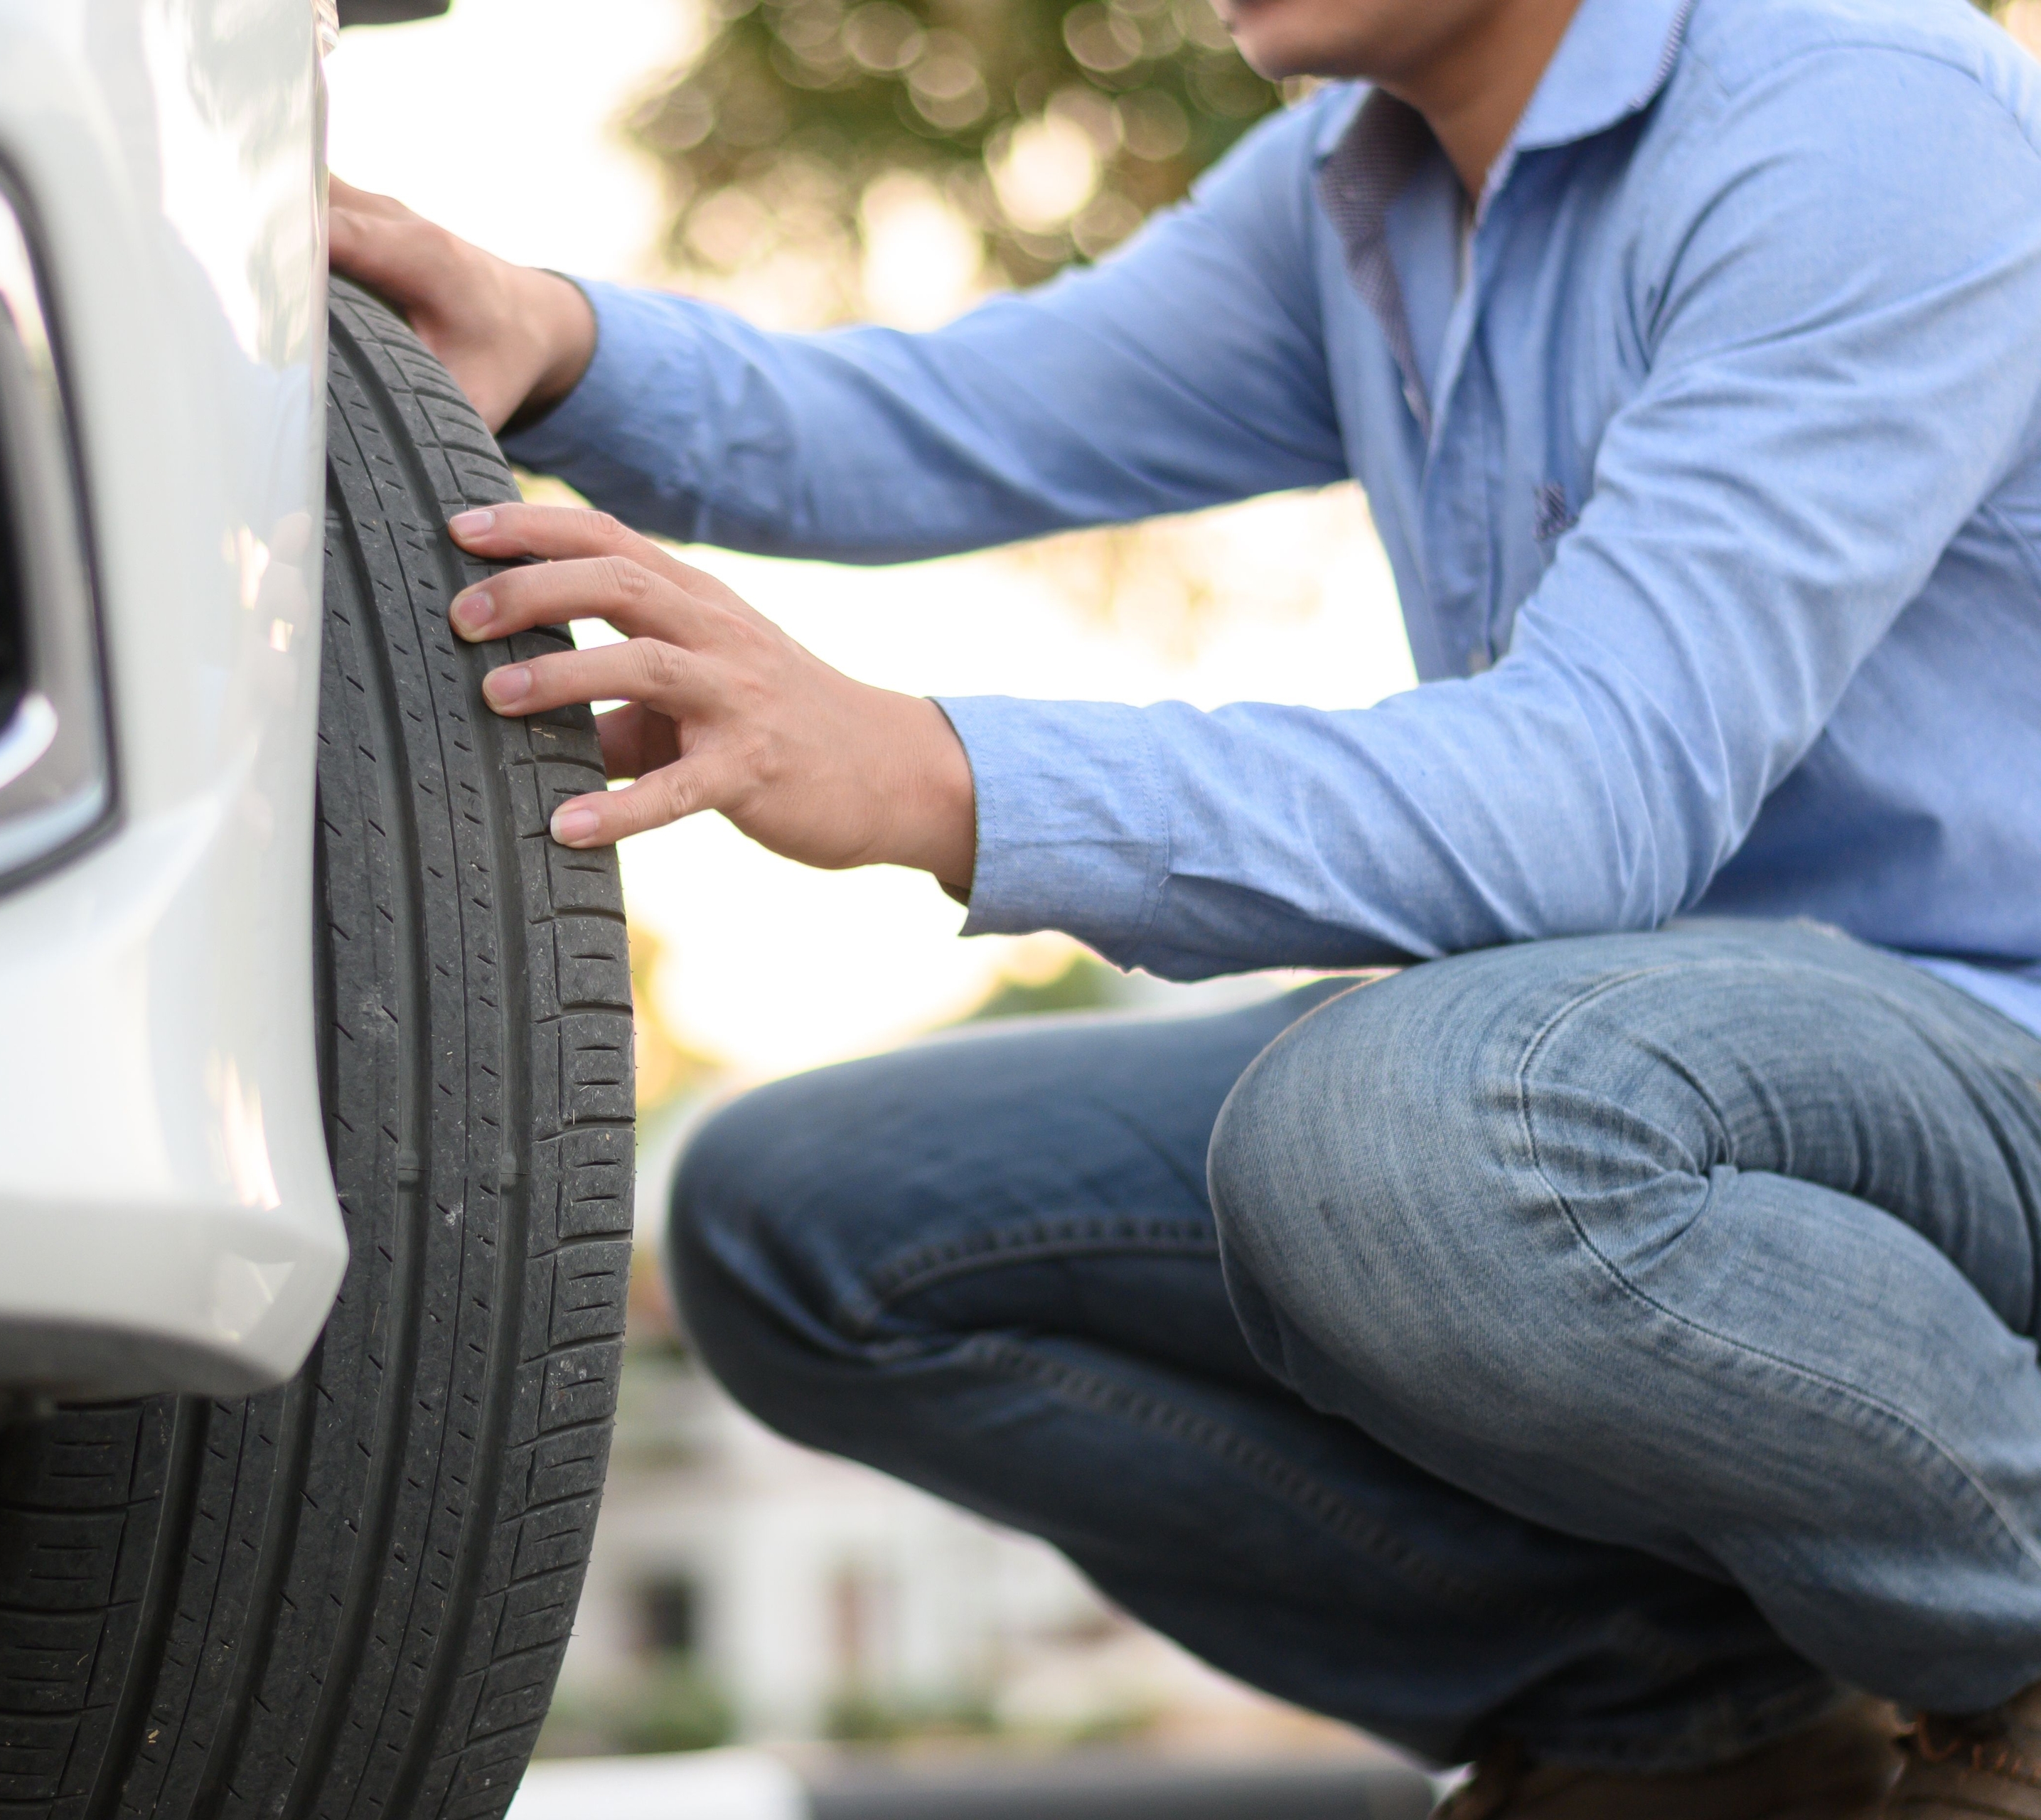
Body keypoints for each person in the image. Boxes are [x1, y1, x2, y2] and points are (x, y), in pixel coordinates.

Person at [328, 0, 2041, 1809]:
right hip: (1636, 1048)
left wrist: (925, 769)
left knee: (1406, 1137)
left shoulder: (1858, 121)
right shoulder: (1357, 184)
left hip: (1984, 1055)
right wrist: (559, 341)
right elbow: (947, 419)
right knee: (800, 1225)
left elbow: (1587, 797)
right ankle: (1681, 1722)